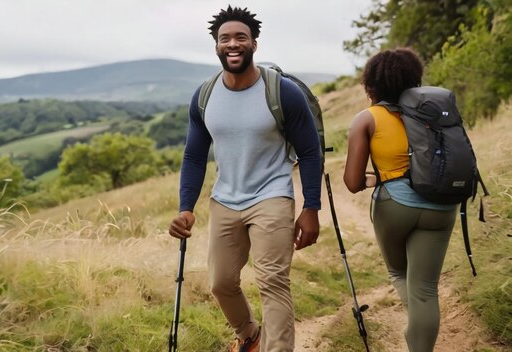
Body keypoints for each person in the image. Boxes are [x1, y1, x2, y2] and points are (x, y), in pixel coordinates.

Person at [167, 5, 322, 352]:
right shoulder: (205, 96)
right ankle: (250, 336)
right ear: (216, 46)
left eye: (241, 37)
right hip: (225, 199)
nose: (232, 44)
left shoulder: (282, 92)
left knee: (273, 282)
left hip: (272, 196)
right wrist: (186, 207)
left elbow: (310, 153)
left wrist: (311, 207)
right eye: (225, 39)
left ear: (254, 44)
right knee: (221, 283)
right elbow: (194, 156)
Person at [343, 47, 458, 352]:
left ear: (371, 86)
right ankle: (419, 343)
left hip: (395, 205)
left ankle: (414, 334)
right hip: (443, 205)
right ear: (415, 80)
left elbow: (352, 183)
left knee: (399, 273)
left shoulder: (367, 118)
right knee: (425, 289)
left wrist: (380, 176)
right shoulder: (436, 113)